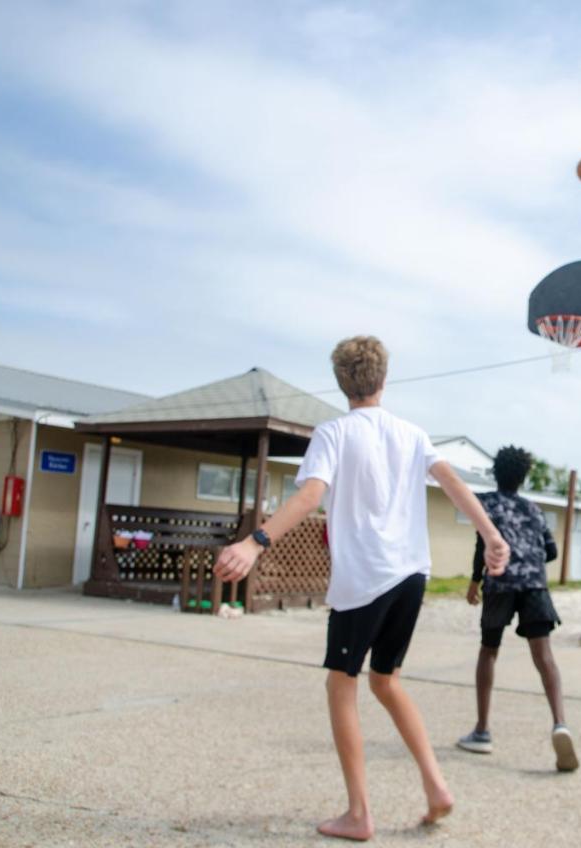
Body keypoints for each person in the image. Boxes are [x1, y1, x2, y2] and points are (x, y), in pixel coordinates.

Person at [214, 336, 510, 841]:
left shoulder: (333, 433)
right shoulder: (412, 433)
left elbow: (310, 496)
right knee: (387, 680)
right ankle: (437, 786)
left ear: (340, 382)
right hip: (412, 575)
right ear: (384, 379)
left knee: (341, 683)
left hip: (365, 579)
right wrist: (491, 533)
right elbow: (453, 482)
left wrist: (255, 541)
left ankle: (358, 814)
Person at [456, 445, 578, 772]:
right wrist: (529, 559)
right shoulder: (535, 510)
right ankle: (560, 723)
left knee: (489, 650)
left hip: (500, 583)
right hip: (535, 586)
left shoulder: (486, 503)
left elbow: (484, 542)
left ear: (495, 473)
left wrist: (474, 581)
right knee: (544, 657)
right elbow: (550, 552)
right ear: (524, 477)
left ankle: (482, 731)